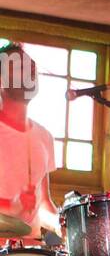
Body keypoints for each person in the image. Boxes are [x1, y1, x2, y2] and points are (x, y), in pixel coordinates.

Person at [0, 43, 62, 243]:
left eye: (32, 67)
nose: (31, 71)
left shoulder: (44, 136)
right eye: (20, 67)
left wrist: (62, 227)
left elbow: (43, 204)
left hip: (32, 253)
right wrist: (11, 207)